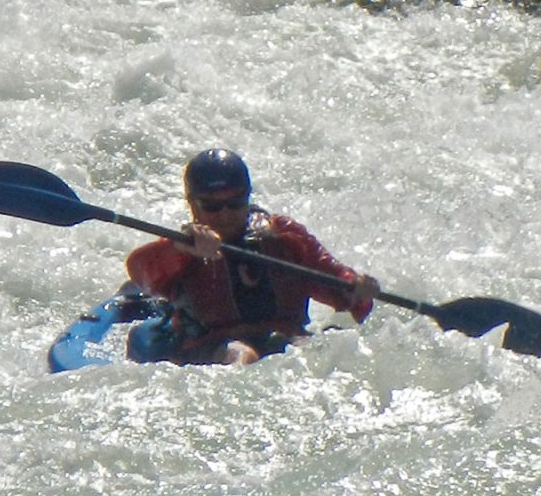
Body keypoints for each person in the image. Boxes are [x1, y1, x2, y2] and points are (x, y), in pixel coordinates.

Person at [125, 149, 379, 366]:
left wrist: (357, 287)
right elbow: (140, 271)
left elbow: (336, 283)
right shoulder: (184, 247)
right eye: (212, 207)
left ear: (247, 197)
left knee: (318, 345)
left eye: (234, 203)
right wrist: (180, 248)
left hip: (285, 339)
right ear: (192, 204)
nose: (224, 215)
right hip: (213, 345)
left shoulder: (284, 236)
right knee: (240, 353)